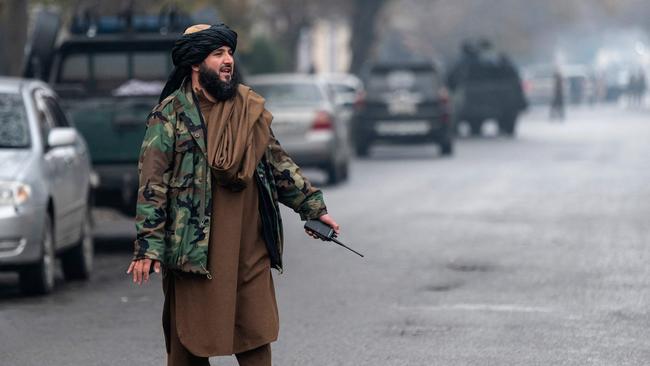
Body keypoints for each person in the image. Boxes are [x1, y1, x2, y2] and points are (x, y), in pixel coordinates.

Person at [126, 23, 340, 366]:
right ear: (196, 63)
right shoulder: (170, 115)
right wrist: (148, 246)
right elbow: (153, 183)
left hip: (247, 248)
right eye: (218, 54)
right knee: (189, 344)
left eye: (230, 53)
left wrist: (312, 208)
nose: (228, 60)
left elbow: (276, 162)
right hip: (193, 252)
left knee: (255, 337)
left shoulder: (247, 109)